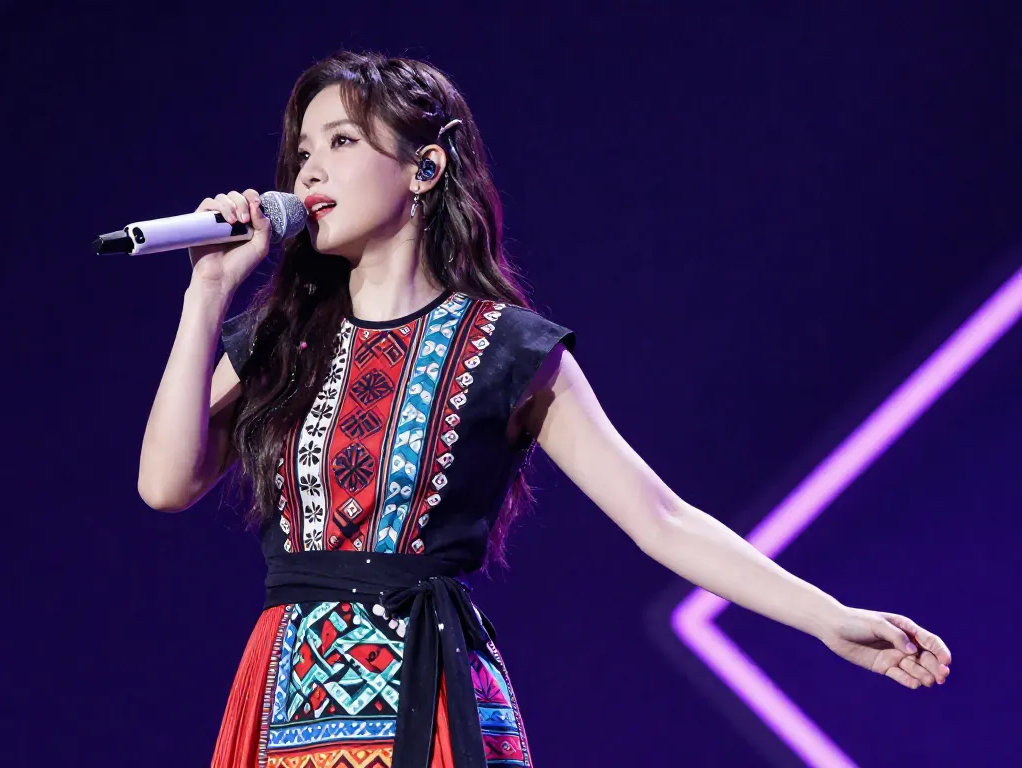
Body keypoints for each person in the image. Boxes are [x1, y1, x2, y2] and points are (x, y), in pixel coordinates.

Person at [138, 51, 952, 767]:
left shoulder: (509, 350)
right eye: (303, 152)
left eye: (341, 143)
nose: (309, 172)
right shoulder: (282, 340)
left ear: (424, 169)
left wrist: (827, 618)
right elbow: (166, 485)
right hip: (289, 699)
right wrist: (206, 292)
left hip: (434, 693)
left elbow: (661, 519)